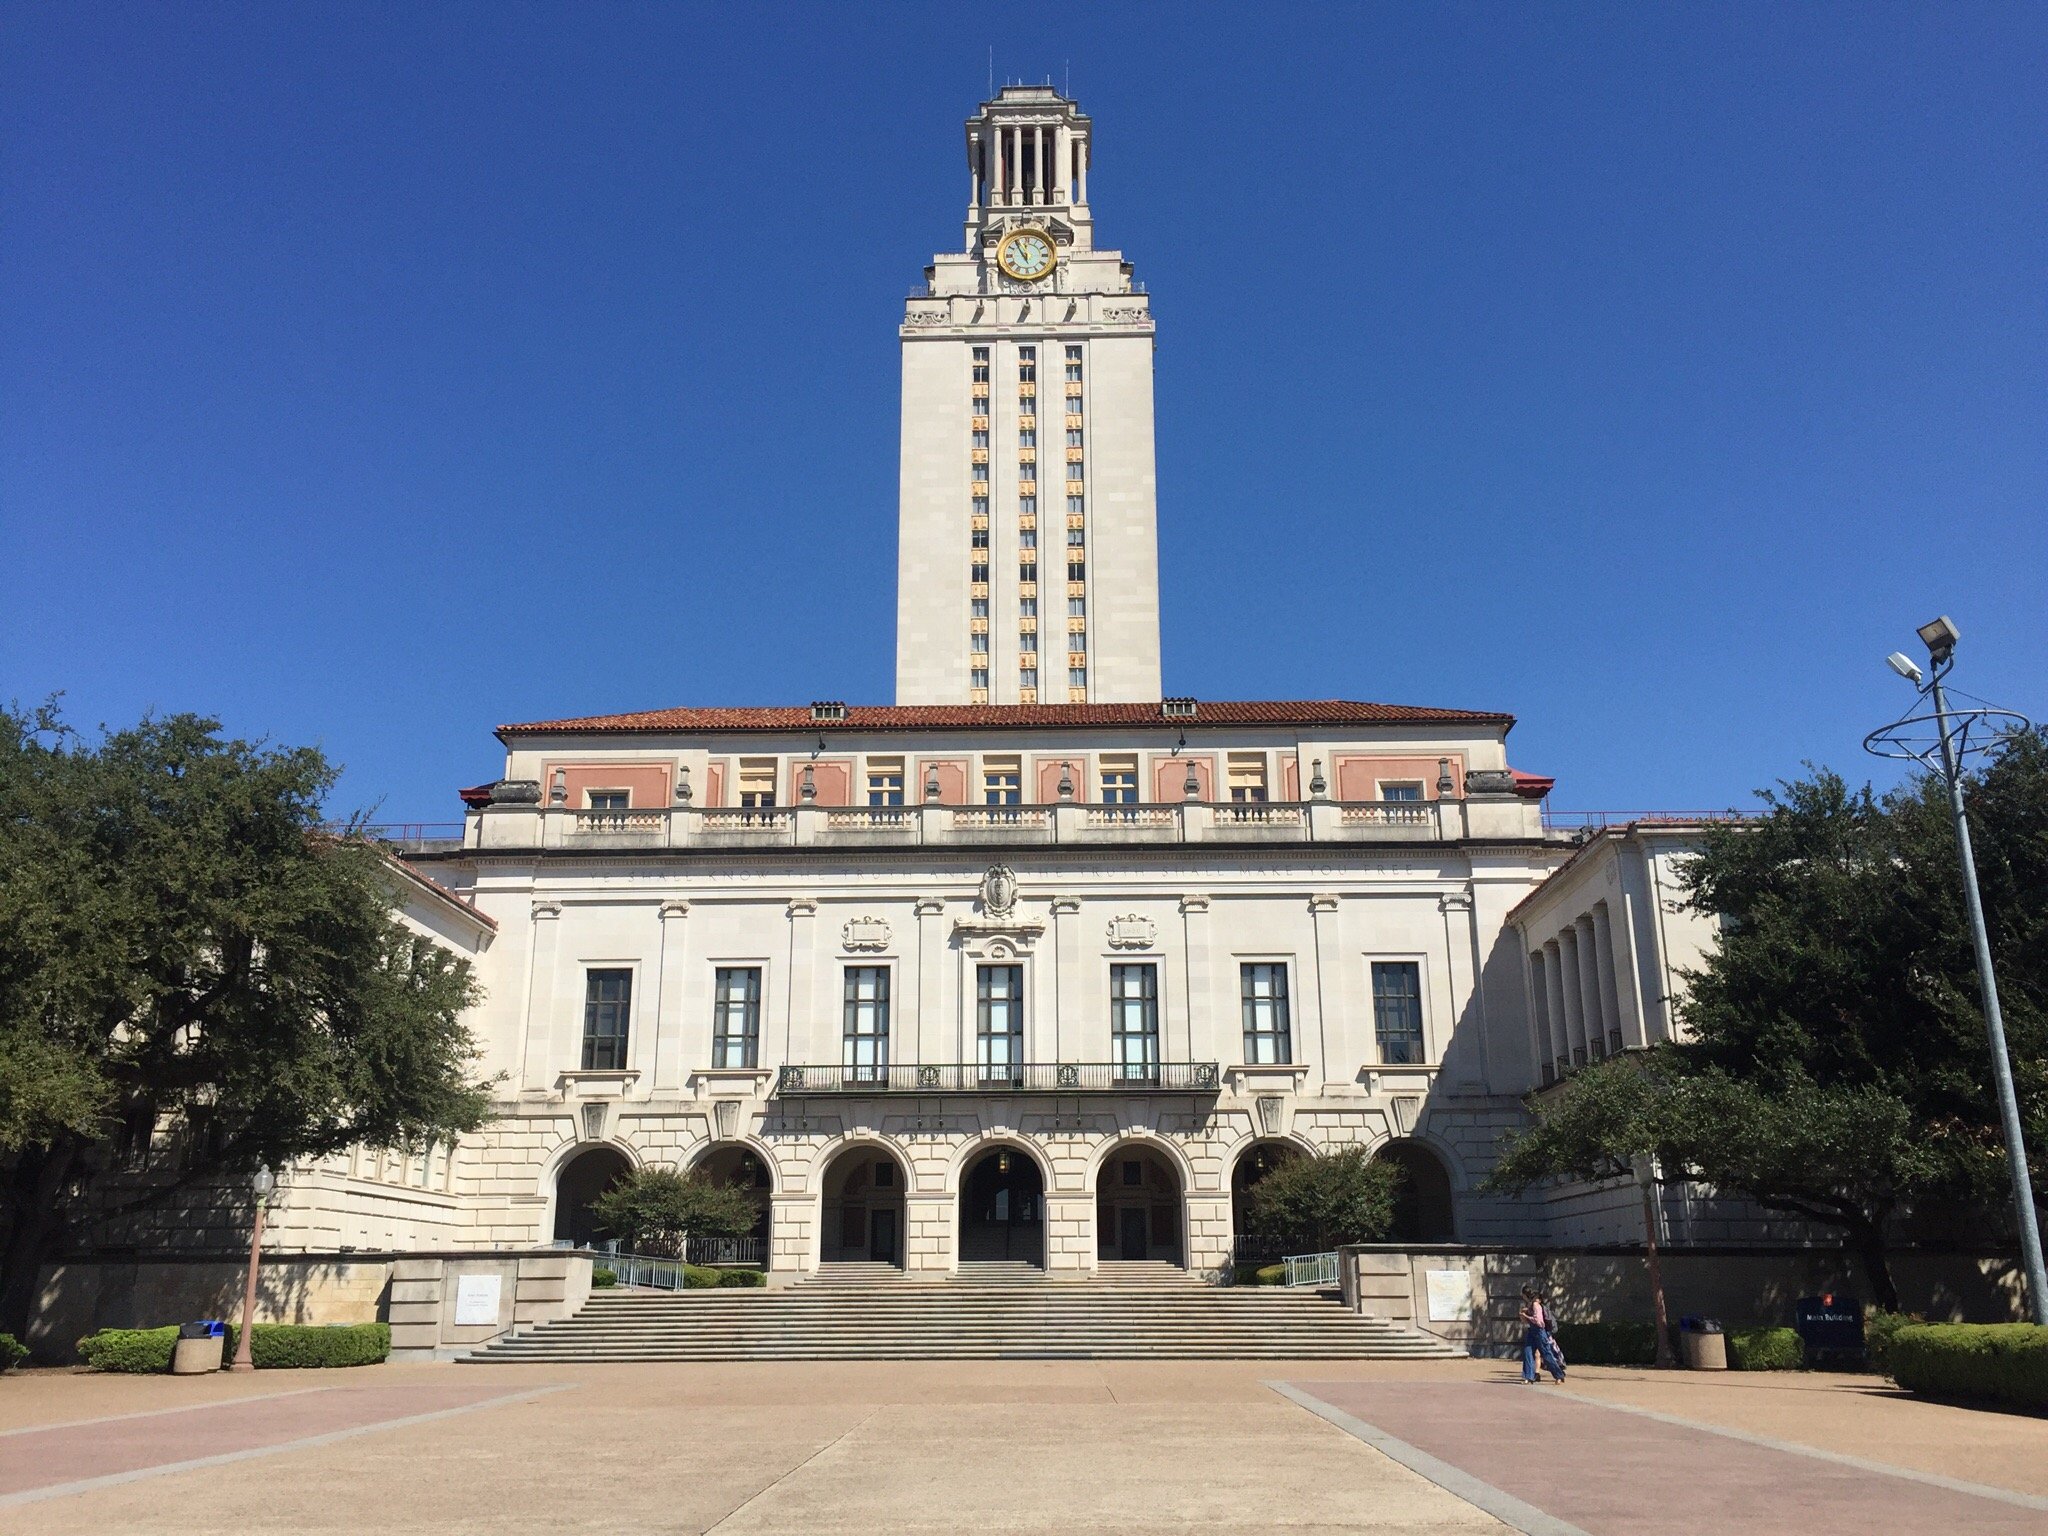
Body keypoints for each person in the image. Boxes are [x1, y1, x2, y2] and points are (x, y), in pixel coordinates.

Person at [1519, 1283, 1566, 1383]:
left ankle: (1559, 1375)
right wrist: (1524, 1315)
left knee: (1546, 1354)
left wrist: (1526, 1316)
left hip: (1540, 1332)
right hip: (1532, 1331)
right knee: (1528, 1352)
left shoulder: (1536, 1305)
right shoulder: (1529, 1305)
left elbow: (1538, 1321)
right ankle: (1528, 1376)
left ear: (1525, 1295)